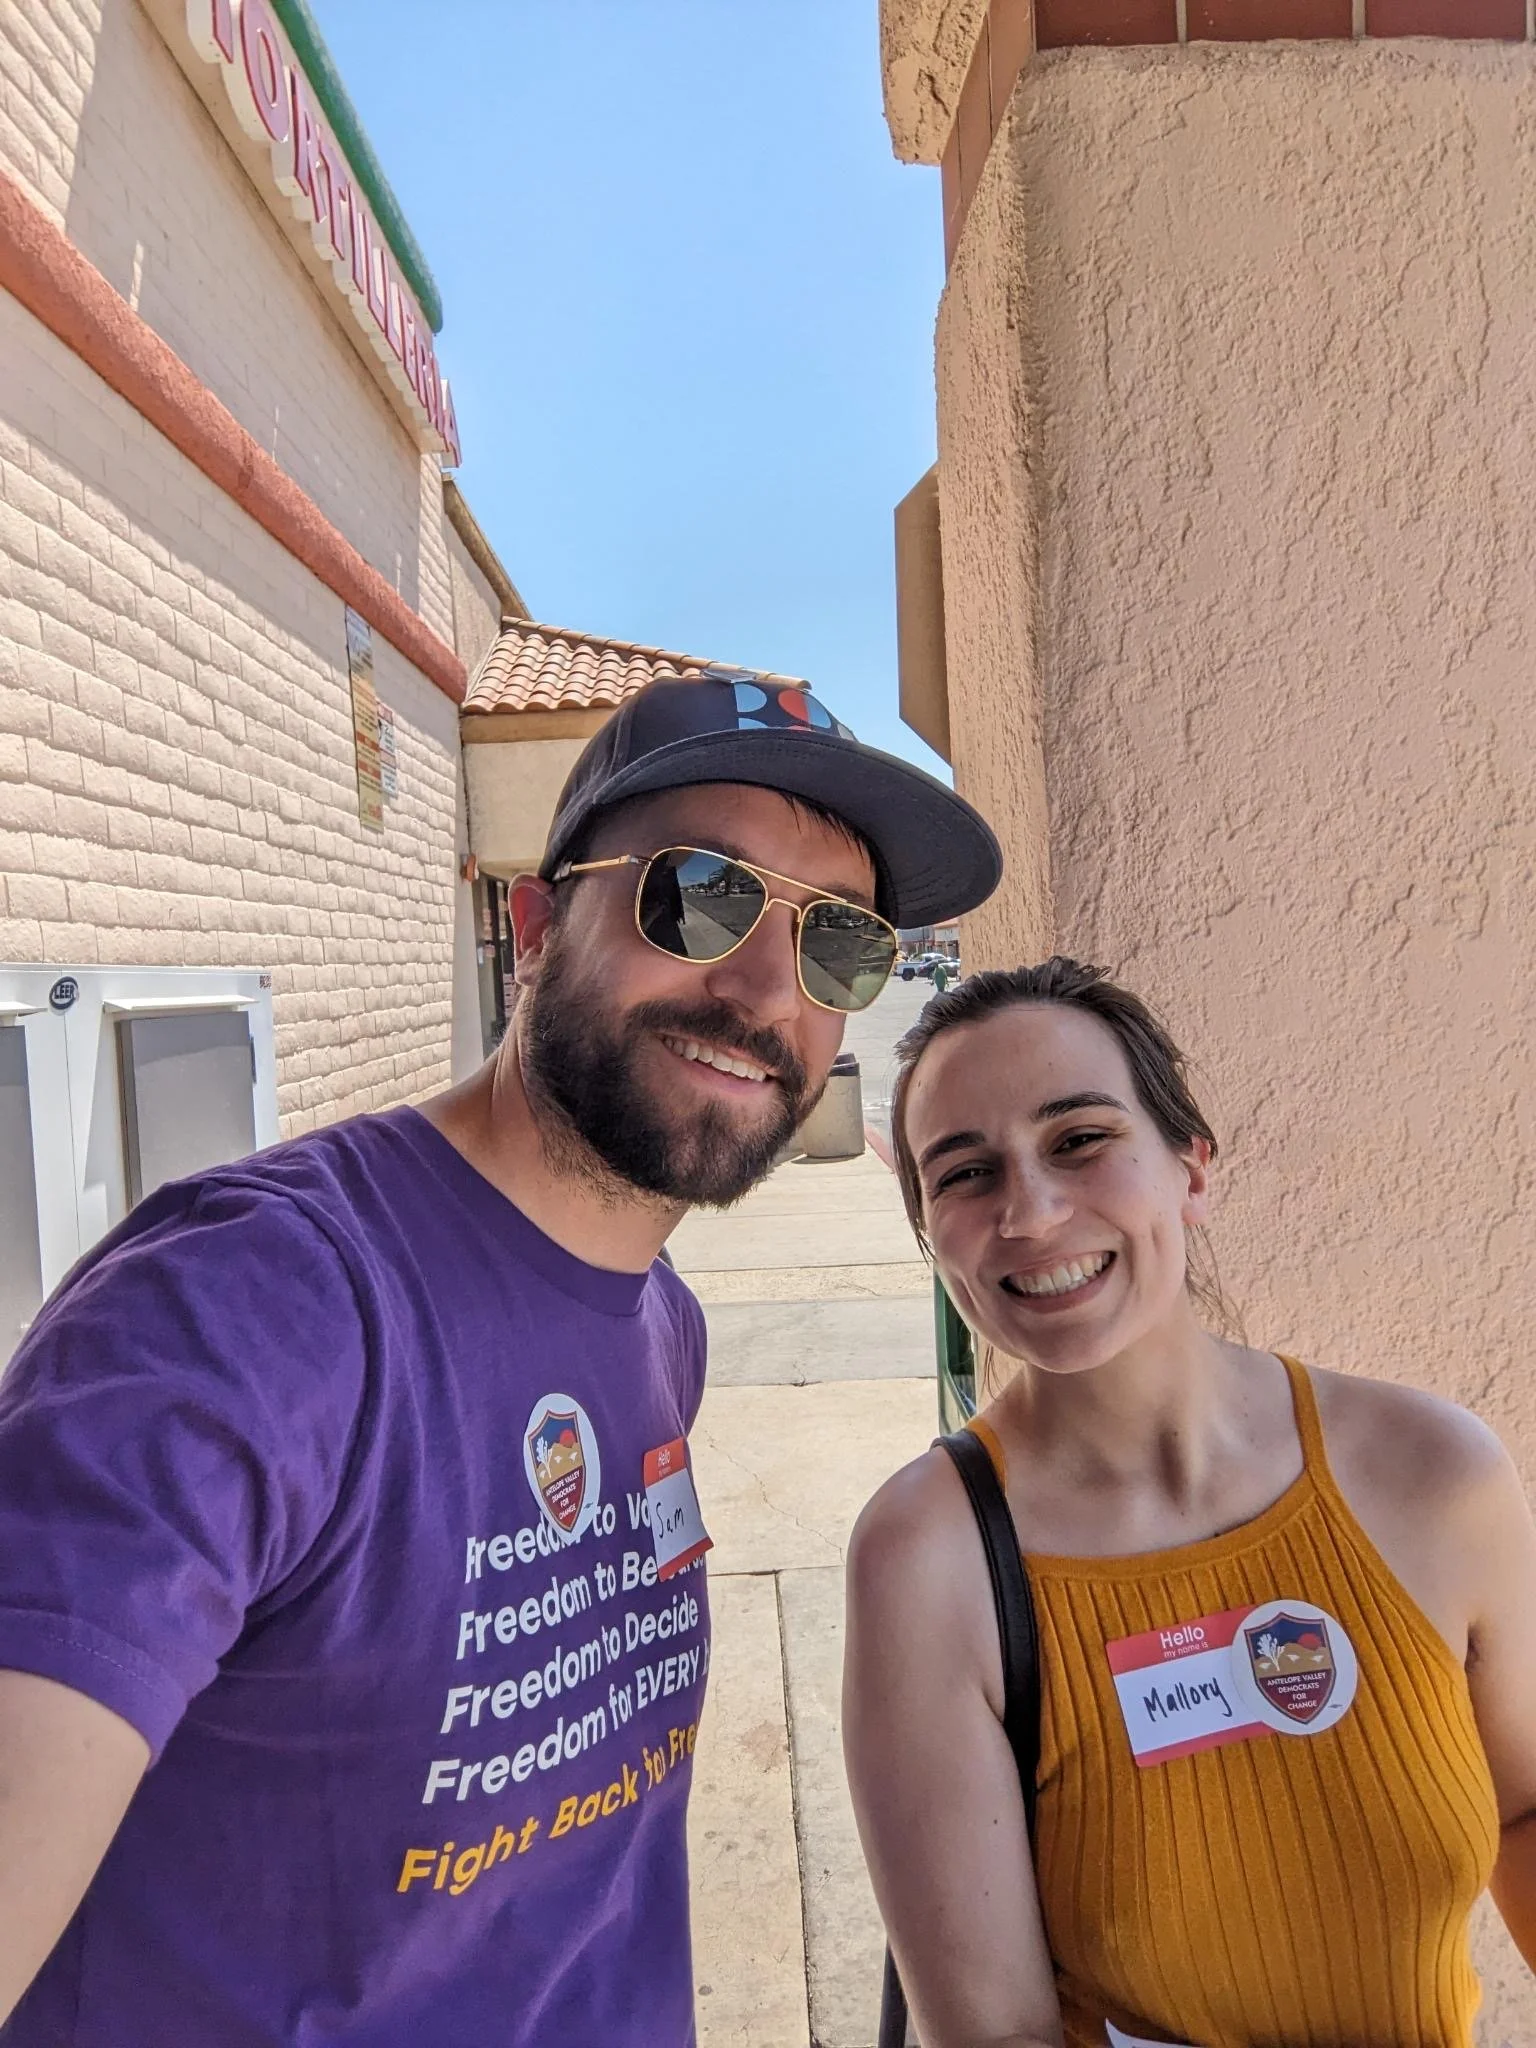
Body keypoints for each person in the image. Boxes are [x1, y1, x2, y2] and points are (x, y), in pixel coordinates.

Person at [0, 670, 1000, 2047]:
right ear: (535, 925)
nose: (768, 986)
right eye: (698, 893)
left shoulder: (659, 1326)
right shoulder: (248, 1304)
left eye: (841, 947)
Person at [844, 959, 1536, 2048]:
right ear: (935, 1235)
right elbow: (995, 2031)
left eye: (1078, 1139)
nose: (1028, 1209)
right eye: (967, 1172)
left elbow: (1521, 1808)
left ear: (1192, 1167)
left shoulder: (1433, 1472)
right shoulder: (929, 1559)